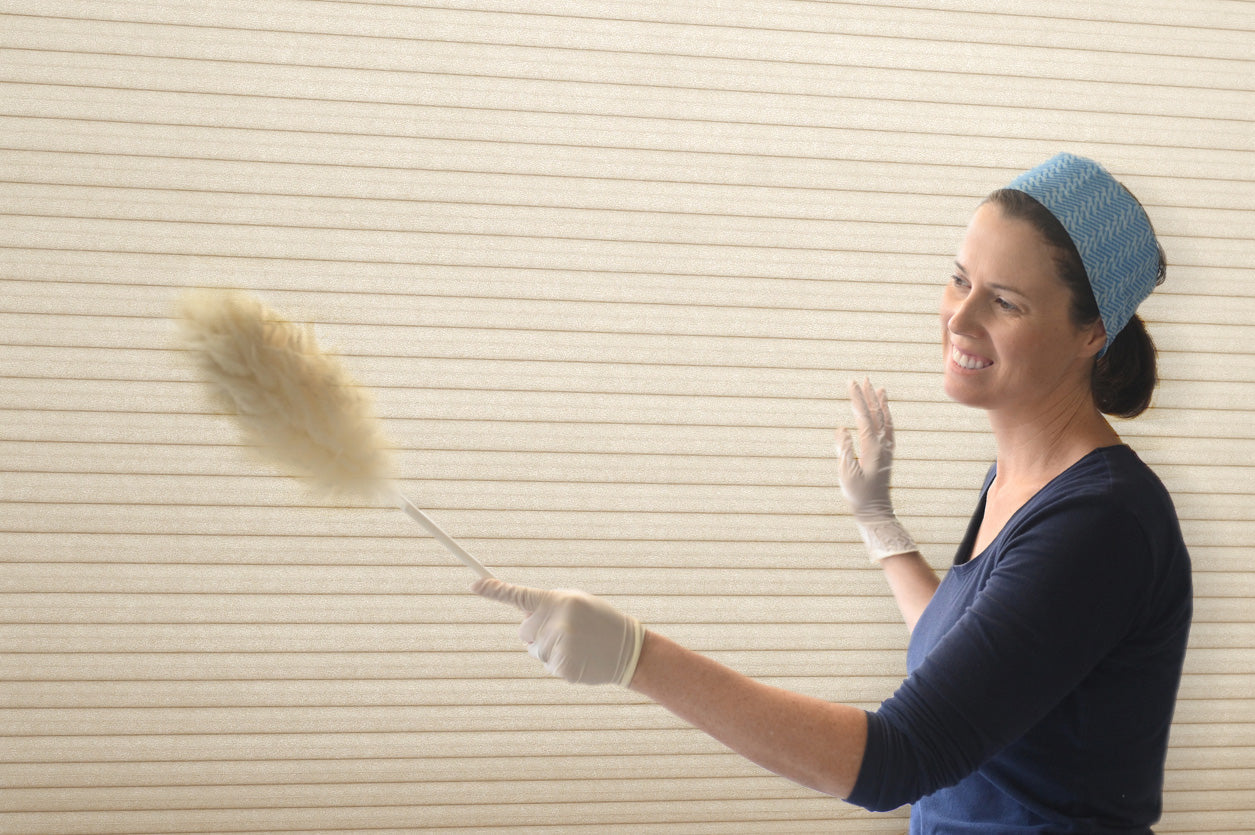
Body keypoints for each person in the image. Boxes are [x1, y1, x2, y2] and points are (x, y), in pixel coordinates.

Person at [472, 153, 1193, 832]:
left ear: (1091, 331)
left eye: (1003, 301)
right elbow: (976, 659)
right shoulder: (1027, 479)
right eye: (958, 278)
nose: (959, 317)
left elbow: (896, 758)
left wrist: (637, 656)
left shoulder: (1101, 521)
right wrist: (878, 524)